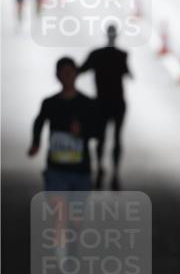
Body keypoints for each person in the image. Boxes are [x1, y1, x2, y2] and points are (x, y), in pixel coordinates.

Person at [28, 57, 99, 192]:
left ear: (76, 74)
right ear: (57, 76)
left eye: (70, 72)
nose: (67, 76)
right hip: (56, 171)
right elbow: (39, 122)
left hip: (81, 171)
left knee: (77, 213)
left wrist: (82, 131)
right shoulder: (50, 103)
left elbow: (99, 131)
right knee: (58, 212)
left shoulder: (88, 104)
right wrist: (35, 143)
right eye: (63, 72)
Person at [78, 24, 131, 189]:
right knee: (117, 138)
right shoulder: (121, 55)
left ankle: (100, 168)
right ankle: (114, 173)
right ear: (116, 36)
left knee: (101, 138)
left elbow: (80, 70)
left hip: (101, 102)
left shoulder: (96, 55)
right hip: (118, 102)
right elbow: (129, 74)